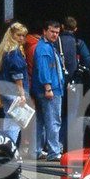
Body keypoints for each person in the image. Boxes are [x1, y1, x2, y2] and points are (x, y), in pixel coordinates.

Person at [32, 20, 66, 161]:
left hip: (44, 89)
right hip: (50, 90)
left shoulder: (47, 46)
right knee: (53, 121)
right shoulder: (45, 48)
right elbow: (45, 69)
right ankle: (54, 152)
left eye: (57, 32)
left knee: (40, 121)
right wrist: (48, 88)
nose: (55, 35)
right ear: (44, 31)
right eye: (52, 31)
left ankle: (37, 150)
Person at [58, 16, 90, 148]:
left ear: (62, 26)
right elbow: (87, 61)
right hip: (75, 82)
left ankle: (53, 143)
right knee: (72, 113)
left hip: (57, 83)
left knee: (56, 114)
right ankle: (65, 142)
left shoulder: (57, 41)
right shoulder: (79, 43)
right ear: (76, 29)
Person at [0, 21, 31, 143]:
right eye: (18, 35)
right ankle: (10, 148)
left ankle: (6, 147)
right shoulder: (15, 51)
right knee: (14, 122)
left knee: (9, 118)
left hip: (4, 88)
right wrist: (22, 94)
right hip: (14, 90)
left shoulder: (4, 50)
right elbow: (17, 76)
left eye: (23, 36)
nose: (21, 38)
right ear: (12, 35)